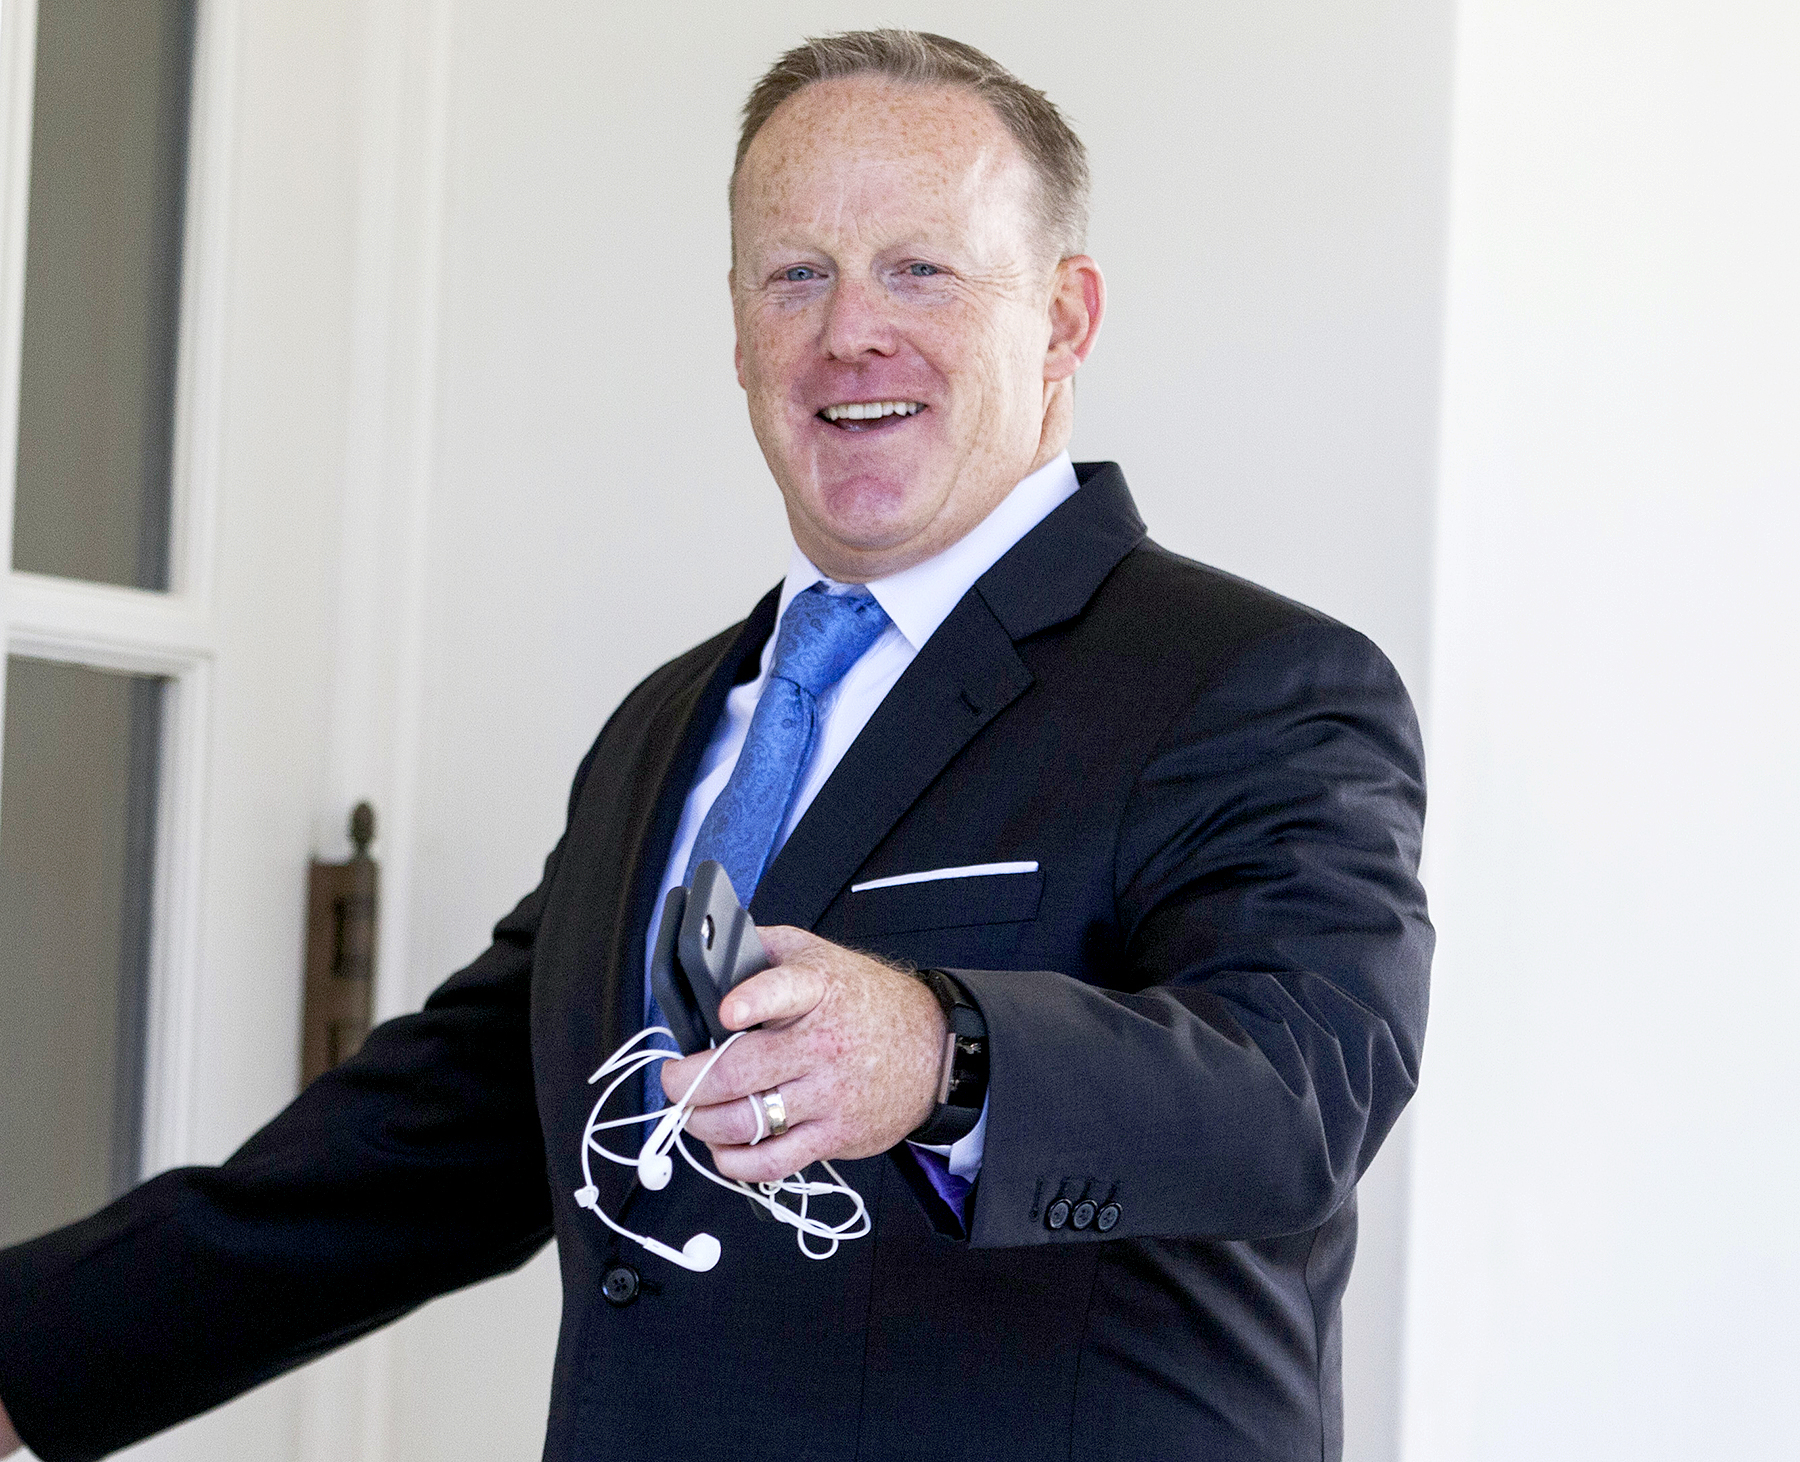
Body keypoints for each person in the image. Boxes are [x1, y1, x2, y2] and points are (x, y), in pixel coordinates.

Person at [0, 29, 1430, 1462]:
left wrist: (945, 1050)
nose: (849, 329)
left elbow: (1299, 1091)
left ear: (1063, 321)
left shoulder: (1255, 684)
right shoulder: (673, 726)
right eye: (794, 272)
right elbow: (430, 1145)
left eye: (919, 268)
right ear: (738, 327)